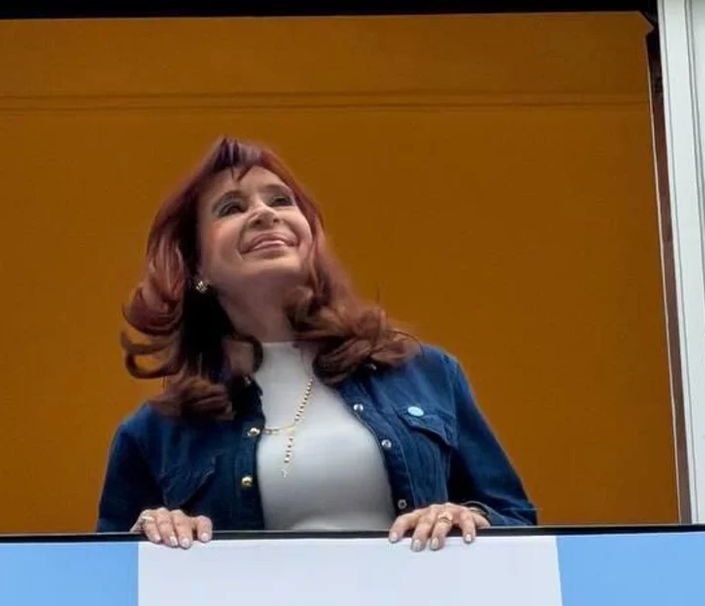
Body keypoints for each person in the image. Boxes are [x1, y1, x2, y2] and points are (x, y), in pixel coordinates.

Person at [96, 137, 535, 552]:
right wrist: (151, 542)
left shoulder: (427, 375)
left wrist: (467, 518)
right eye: (231, 208)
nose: (264, 214)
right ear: (196, 267)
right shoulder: (154, 434)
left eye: (280, 201)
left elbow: (517, 519)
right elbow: (106, 581)